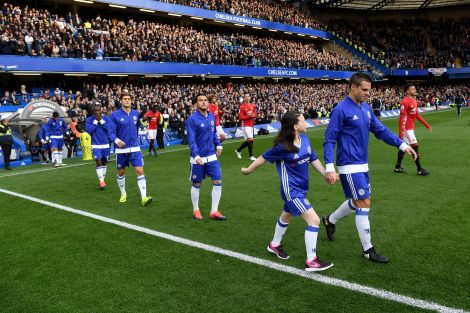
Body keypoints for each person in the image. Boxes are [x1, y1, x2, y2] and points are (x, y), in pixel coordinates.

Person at [322, 73, 417, 263]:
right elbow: (329, 139)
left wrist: (402, 145)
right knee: (364, 203)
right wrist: (330, 167)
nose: (368, 93)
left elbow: (380, 130)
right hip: (349, 165)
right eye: (364, 90)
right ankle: (368, 250)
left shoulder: (366, 108)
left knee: (358, 201)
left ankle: (330, 220)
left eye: (369, 90)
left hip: (363, 164)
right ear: (352, 88)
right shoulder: (341, 110)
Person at [241, 111, 333, 271]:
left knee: (286, 216)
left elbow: (313, 159)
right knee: (314, 221)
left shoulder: (304, 139)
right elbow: (263, 158)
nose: (307, 123)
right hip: (292, 191)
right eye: (304, 121)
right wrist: (248, 170)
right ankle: (312, 260)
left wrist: (326, 173)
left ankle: (274, 244)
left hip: (301, 189)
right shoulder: (282, 147)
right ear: (295, 126)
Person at [186, 94, 226, 221]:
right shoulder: (191, 119)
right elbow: (191, 140)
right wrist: (196, 155)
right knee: (197, 183)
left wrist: (219, 145)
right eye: (200, 100)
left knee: (218, 182)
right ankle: (195, 210)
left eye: (205, 100)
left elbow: (214, 133)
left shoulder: (212, 117)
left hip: (212, 157)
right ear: (196, 103)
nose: (203, 102)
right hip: (198, 158)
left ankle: (214, 211)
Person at [109, 92, 152, 206]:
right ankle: (123, 193)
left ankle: (144, 197)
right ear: (121, 101)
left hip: (135, 148)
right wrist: (117, 141)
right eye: (125, 99)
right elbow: (111, 132)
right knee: (121, 172)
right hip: (121, 150)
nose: (127, 100)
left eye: (129, 99)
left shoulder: (136, 114)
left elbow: (139, 125)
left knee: (139, 171)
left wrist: (146, 120)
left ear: (131, 101)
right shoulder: (115, 115)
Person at [394, 84, 432, 175]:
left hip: (410, 128)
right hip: (406, 129)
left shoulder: (414, 101)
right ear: (407, 91)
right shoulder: (405, 101)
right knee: (415, 146)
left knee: (403, 147)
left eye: (415, 89)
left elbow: (417, 115)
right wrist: (401, 132)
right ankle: (419, 169)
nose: (415, 90)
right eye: (412, 89)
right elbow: (402, 118)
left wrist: (426, 124)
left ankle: (397, 167)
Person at [86, 105, 112, 189]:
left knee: (104, 162)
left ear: (101, 111)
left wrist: (100, 121)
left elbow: (109, 128)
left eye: (98, 111)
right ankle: (101, 182)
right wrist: (95, 122)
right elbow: (88, 130)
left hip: (105, 144)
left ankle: (102, 180)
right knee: (98, 161)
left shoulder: (106, 119)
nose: (97, 112)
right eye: (95, 111)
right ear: (93, 112)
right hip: (95, 144)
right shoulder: (89, 120)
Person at [235, 94, 257, 161]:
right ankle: (251, 156)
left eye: (248, 96)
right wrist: (249, 116)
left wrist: (254, 115)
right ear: (244, 98)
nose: (247, 98)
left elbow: (255, 114)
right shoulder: (242, 106)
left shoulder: (253, 105)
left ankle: (238, 150)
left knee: (249, 141)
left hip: (251, 125)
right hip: (245, 125)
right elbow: (240, 117)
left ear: (250, 98)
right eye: (246, 97)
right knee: (251, 140)